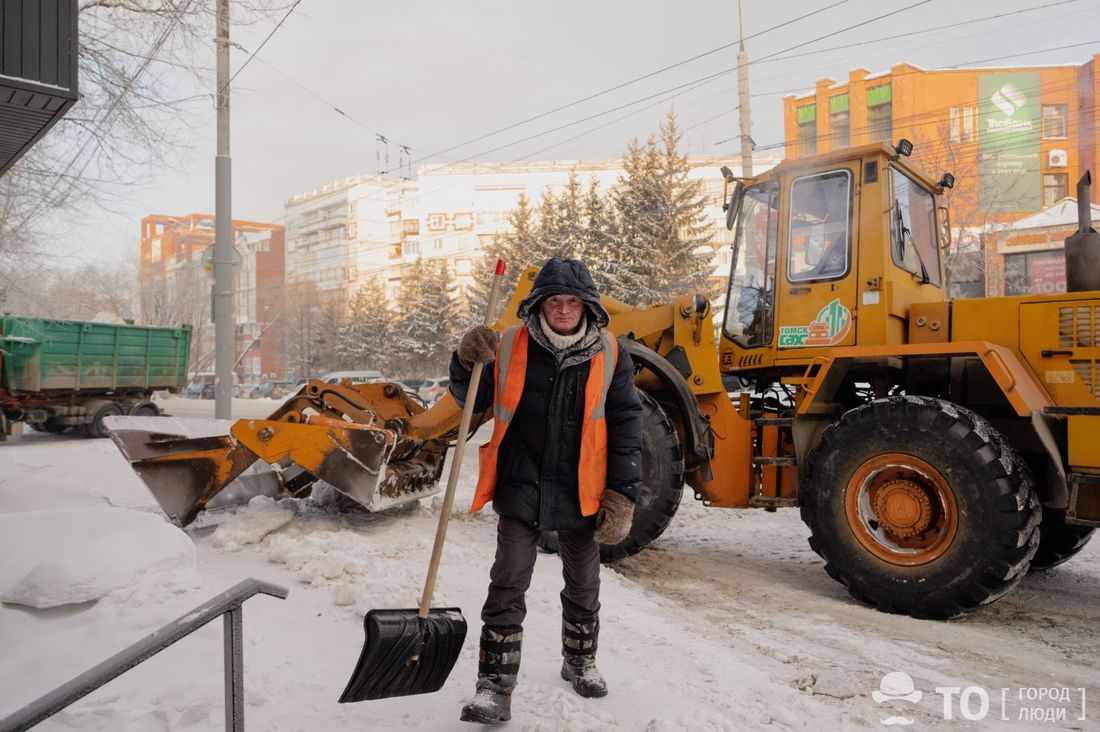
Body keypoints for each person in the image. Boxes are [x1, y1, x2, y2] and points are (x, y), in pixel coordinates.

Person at [450, 257, 642, 725]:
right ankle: (494, 687)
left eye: (572, 301)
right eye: (555, 300)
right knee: (507, 582)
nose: (563, 309)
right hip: (522, 483)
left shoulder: (611, 353)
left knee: (584, 583)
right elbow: (470, 398)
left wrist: (622, 494)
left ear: (587, 307)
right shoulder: (509, 345)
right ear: (539, 303)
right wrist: (464, 359)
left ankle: (580, 661)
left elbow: (626, 425)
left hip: (582, 489)